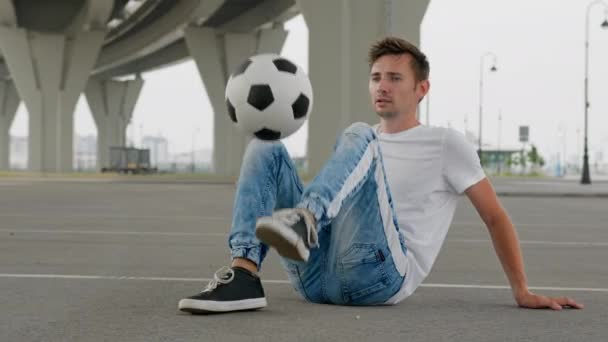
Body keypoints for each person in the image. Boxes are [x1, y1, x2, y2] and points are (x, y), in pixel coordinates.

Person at [178, 36, 583, 313]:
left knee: (356, 135)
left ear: (421, 89)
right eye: (376, 78)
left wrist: (522, 290)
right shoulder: (365, 142)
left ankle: (305, 221)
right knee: (266, 142)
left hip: (379, 278)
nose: (381, 87)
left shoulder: (444, 143)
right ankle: (245, 274)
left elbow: (495, 216)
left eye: (394, 78)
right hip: (315, 280)